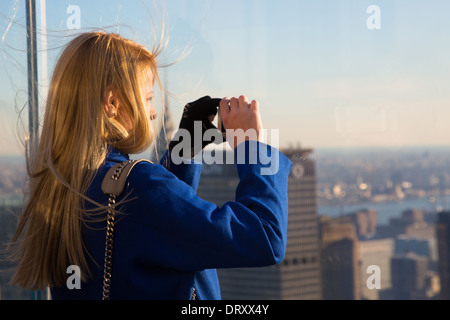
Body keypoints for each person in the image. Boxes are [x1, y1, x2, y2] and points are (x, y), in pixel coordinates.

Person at [7, 31, 292, 300]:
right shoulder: (138, 188)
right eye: (148, 98)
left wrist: (186, 145)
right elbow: (265, 236)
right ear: (113, 103)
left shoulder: (63, 185)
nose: (153, 111)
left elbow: (152, 229)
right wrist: (253, 147)